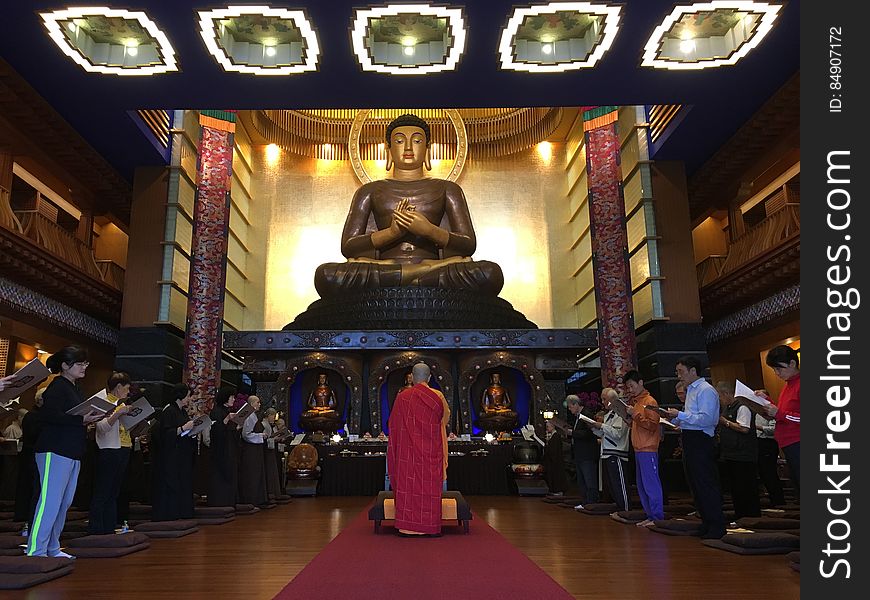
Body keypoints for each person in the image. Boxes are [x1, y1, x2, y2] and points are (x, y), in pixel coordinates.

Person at [314, 113, 503, 298]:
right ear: (389, 151)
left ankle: (402, 275)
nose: (408, 147)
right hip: (405, 267)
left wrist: (429, 230)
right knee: (326, 275)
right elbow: (348, 246)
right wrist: (391, 233)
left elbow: (468, 244)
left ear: (427, 149)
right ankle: (420, 273)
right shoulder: (369, 191)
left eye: (417, 141)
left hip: (393, 271)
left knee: (490, 273)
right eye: (399, 141)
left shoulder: (448, 189)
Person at [27, 346, 102, 558]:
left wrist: (89, 417)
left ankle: (52, 547)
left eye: (85, 363)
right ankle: (36, 549)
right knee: (50, 500)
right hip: (54, 449)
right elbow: (50, 417)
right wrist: (81, 419)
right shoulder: (57, 387)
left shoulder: (75, 388)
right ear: (64, 366)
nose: (84, 367)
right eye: (79, 364)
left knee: (64, 502)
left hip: (72, 449)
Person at [387, 362, 450, 536]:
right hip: (431, 450)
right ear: (429, 378)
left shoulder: (402, 397)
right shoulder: (437, 396)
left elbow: (393, 424)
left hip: (408, 452)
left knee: (408, 486)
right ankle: (429, 526)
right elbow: (443, 420)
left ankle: (407, 527)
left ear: (413, 378)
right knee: (429, 488)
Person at [666, 356, 726, 539]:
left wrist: (681, 416)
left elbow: (708, 419)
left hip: (701, 440)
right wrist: (674, 418)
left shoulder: (705, 390)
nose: (678, 376)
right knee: (695, 483)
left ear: (693, 371)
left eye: (681, 372)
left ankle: (716, 525)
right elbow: (692, 416)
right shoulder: (691, 390)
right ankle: (706, 522)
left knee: (705, 483)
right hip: (691, 438)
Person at [88, 372, 133, 534]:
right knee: (103, 490)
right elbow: (101, 428)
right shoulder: (103, 401)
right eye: (127, 388)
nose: (128, 392)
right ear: (118, 387)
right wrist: (118, 414)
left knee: (114, 491)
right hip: (108, 449)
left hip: (123, 447)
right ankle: (96, 529)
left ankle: (109, 527)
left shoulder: (122, 404)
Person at [623, 371, 663, 526]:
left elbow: (652, 426)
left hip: (648, 449)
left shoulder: (650, 402)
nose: (630, 390)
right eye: (628, 387)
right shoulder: (637, 403)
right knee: (642, 485)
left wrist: (635, 416)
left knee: (651, 484)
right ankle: (650, 516)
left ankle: (657, 517)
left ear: (640, 382)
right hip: (638, 448)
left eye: (632, 386)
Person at [715, 381, 760, 519]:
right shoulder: (727, 408)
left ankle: (751, 516)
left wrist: (725, 422)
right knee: (736, 488)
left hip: (744, 454)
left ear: (727, 393)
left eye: (720, 397)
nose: (720, 400)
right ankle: (740, 515)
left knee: (746, 487)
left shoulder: (742, 407)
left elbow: (744, 428)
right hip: (731, 453)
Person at [152, 383, 196, 521]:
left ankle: (182, 512)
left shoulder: (182, 411)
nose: (189, 399)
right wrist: (183, 429)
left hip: (182, 453)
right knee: (172, 483)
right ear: (180, 396)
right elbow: (165, 434)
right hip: (171, 455)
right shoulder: (169, 410)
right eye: (188, 396)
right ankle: (170, 513)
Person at [763, 345, 800, 495]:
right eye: (774, 370)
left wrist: (780, 413)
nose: (777, 373)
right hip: (788, 443)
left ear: (792, 363)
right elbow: (783, 412)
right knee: (797, 487)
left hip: (798, 442)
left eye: (779, 369)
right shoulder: (788, 385)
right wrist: (766, 401)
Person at [588, 387, 630, 512]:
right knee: (611, 484)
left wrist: (602, 426)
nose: (603, 402)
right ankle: (619, 508)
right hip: (607, 452)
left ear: (613, 400)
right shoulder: (608, 415)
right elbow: (605, 434)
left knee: (619, 484)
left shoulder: (621, 413)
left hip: (617, 453)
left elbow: (618, 434)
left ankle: (625, 510)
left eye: (604, 399)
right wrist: (594, 428)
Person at [14, 390, 43, 533]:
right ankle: (24, 516)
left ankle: (24, 515)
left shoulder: (31, 416)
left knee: (27, 486)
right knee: (28, 486)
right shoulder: (33, 417)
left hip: (30, 453)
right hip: (31, 454)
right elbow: (33, 435)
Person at [565, 394, 599, 509]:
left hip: (587, 453)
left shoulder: (586, 415)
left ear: (575, 404)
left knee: (589, 479)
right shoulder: (578, 416)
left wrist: (572, 433)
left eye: (570, 407)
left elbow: (589, 433)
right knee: (582, 480)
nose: (570, 410)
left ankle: (591, 502)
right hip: (580, 454)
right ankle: (585, 502)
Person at [208, 387, 239, 507]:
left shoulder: (227, 411)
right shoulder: (217, 411)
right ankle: (220, 502)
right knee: (221, 474)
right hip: (220, 451)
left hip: (230, 448)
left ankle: (230, 501)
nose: (233, 399)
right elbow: (216, 432)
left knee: (231, 473)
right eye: (231, 397)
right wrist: (226, 420)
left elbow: (230, 431)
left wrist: (237, 428)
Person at [753, 389, 785, 507]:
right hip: (758, 443)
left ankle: (779, 501)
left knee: (770, 473)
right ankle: (772, 499)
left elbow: (773, 430)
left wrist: (756, 427)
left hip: (768, 443)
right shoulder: (757, 411)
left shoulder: (772, 410)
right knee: (763, 474)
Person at [238, 395, 268, 506]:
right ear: (251, 404)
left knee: (256, 472)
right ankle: (251, 499)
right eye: (257, 402)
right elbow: (246, 435)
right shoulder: (249, 416)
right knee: (251, 473)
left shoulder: (254, 416)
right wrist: (261, 435)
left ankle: (256, 499)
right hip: (250, 450)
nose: (259, 404)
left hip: (256, 449)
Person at [542, 420, 568, 495]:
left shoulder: (556, 436)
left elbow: (554, 449)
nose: (547, 429)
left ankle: (557, 490)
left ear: (552, 427)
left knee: (556, 475)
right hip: (552, 459)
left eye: (548, 427)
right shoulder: (552, 435)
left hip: (556, 460)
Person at [262, 407, 281, 502]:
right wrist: (274, 438)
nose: (274, 418)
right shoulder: (264, 425)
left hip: (271, 450)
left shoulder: (270, 425)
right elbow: (265, 438)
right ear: (269, 415)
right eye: (273, 416)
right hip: (267, 451)